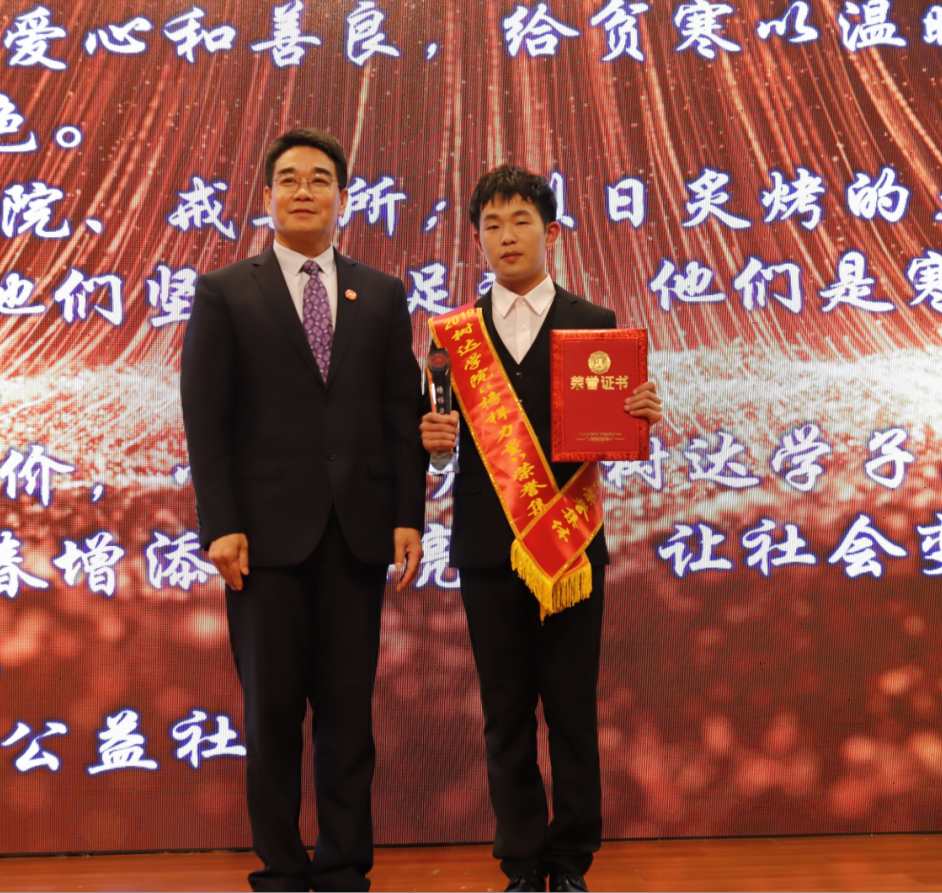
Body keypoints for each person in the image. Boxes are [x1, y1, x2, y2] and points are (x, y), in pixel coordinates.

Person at [181, 127, 425, 892]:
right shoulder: (225, 292)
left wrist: (407, 515)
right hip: (262, 540)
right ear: (266, 196)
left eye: (319, 179)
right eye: (288, 179)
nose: (303, 191)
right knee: (273, 714)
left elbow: (400, 413)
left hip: (356, 533)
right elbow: (206, 419)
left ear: (343, 198)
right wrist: (220, 524)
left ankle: (344, 865)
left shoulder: (380, 294)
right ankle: (283, 867)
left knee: (348, 714)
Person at [419, 166, 662, 893]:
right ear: (477, 240)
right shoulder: (452, 336)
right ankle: (522, 862)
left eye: (520, 221)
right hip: (488, 547)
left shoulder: (595, 322)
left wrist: (639, 416)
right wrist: (432, 444)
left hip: (570, 544)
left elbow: (609, 434)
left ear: (549, 232)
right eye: (491, 225)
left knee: (571, 711)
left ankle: (570, 859)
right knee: (505, 715)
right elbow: (440, 442)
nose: (506, 236)